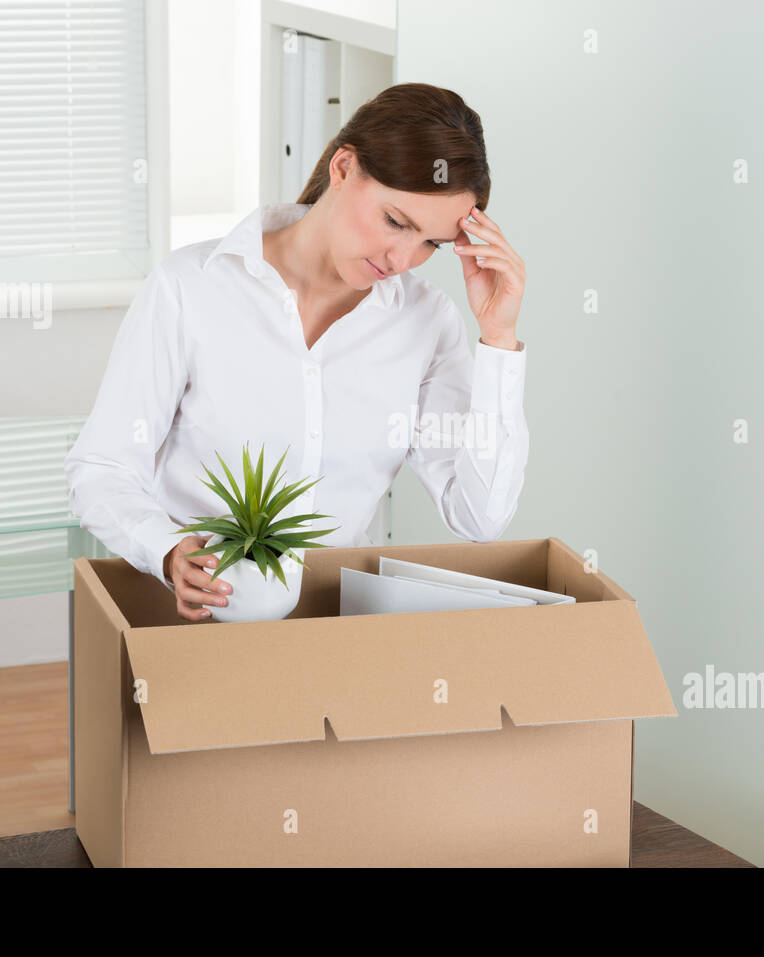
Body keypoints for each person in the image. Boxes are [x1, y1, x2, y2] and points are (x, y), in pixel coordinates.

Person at [64, 83, 529, 622]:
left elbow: (479, 518)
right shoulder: (190, 288)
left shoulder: (427, 323)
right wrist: (166, 549)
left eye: (431, 243)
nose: (402, 257)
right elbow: (101, 467)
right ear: (344, 167)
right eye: (396, 222)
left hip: (333, 634)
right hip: (189, 624)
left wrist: (499, 337)